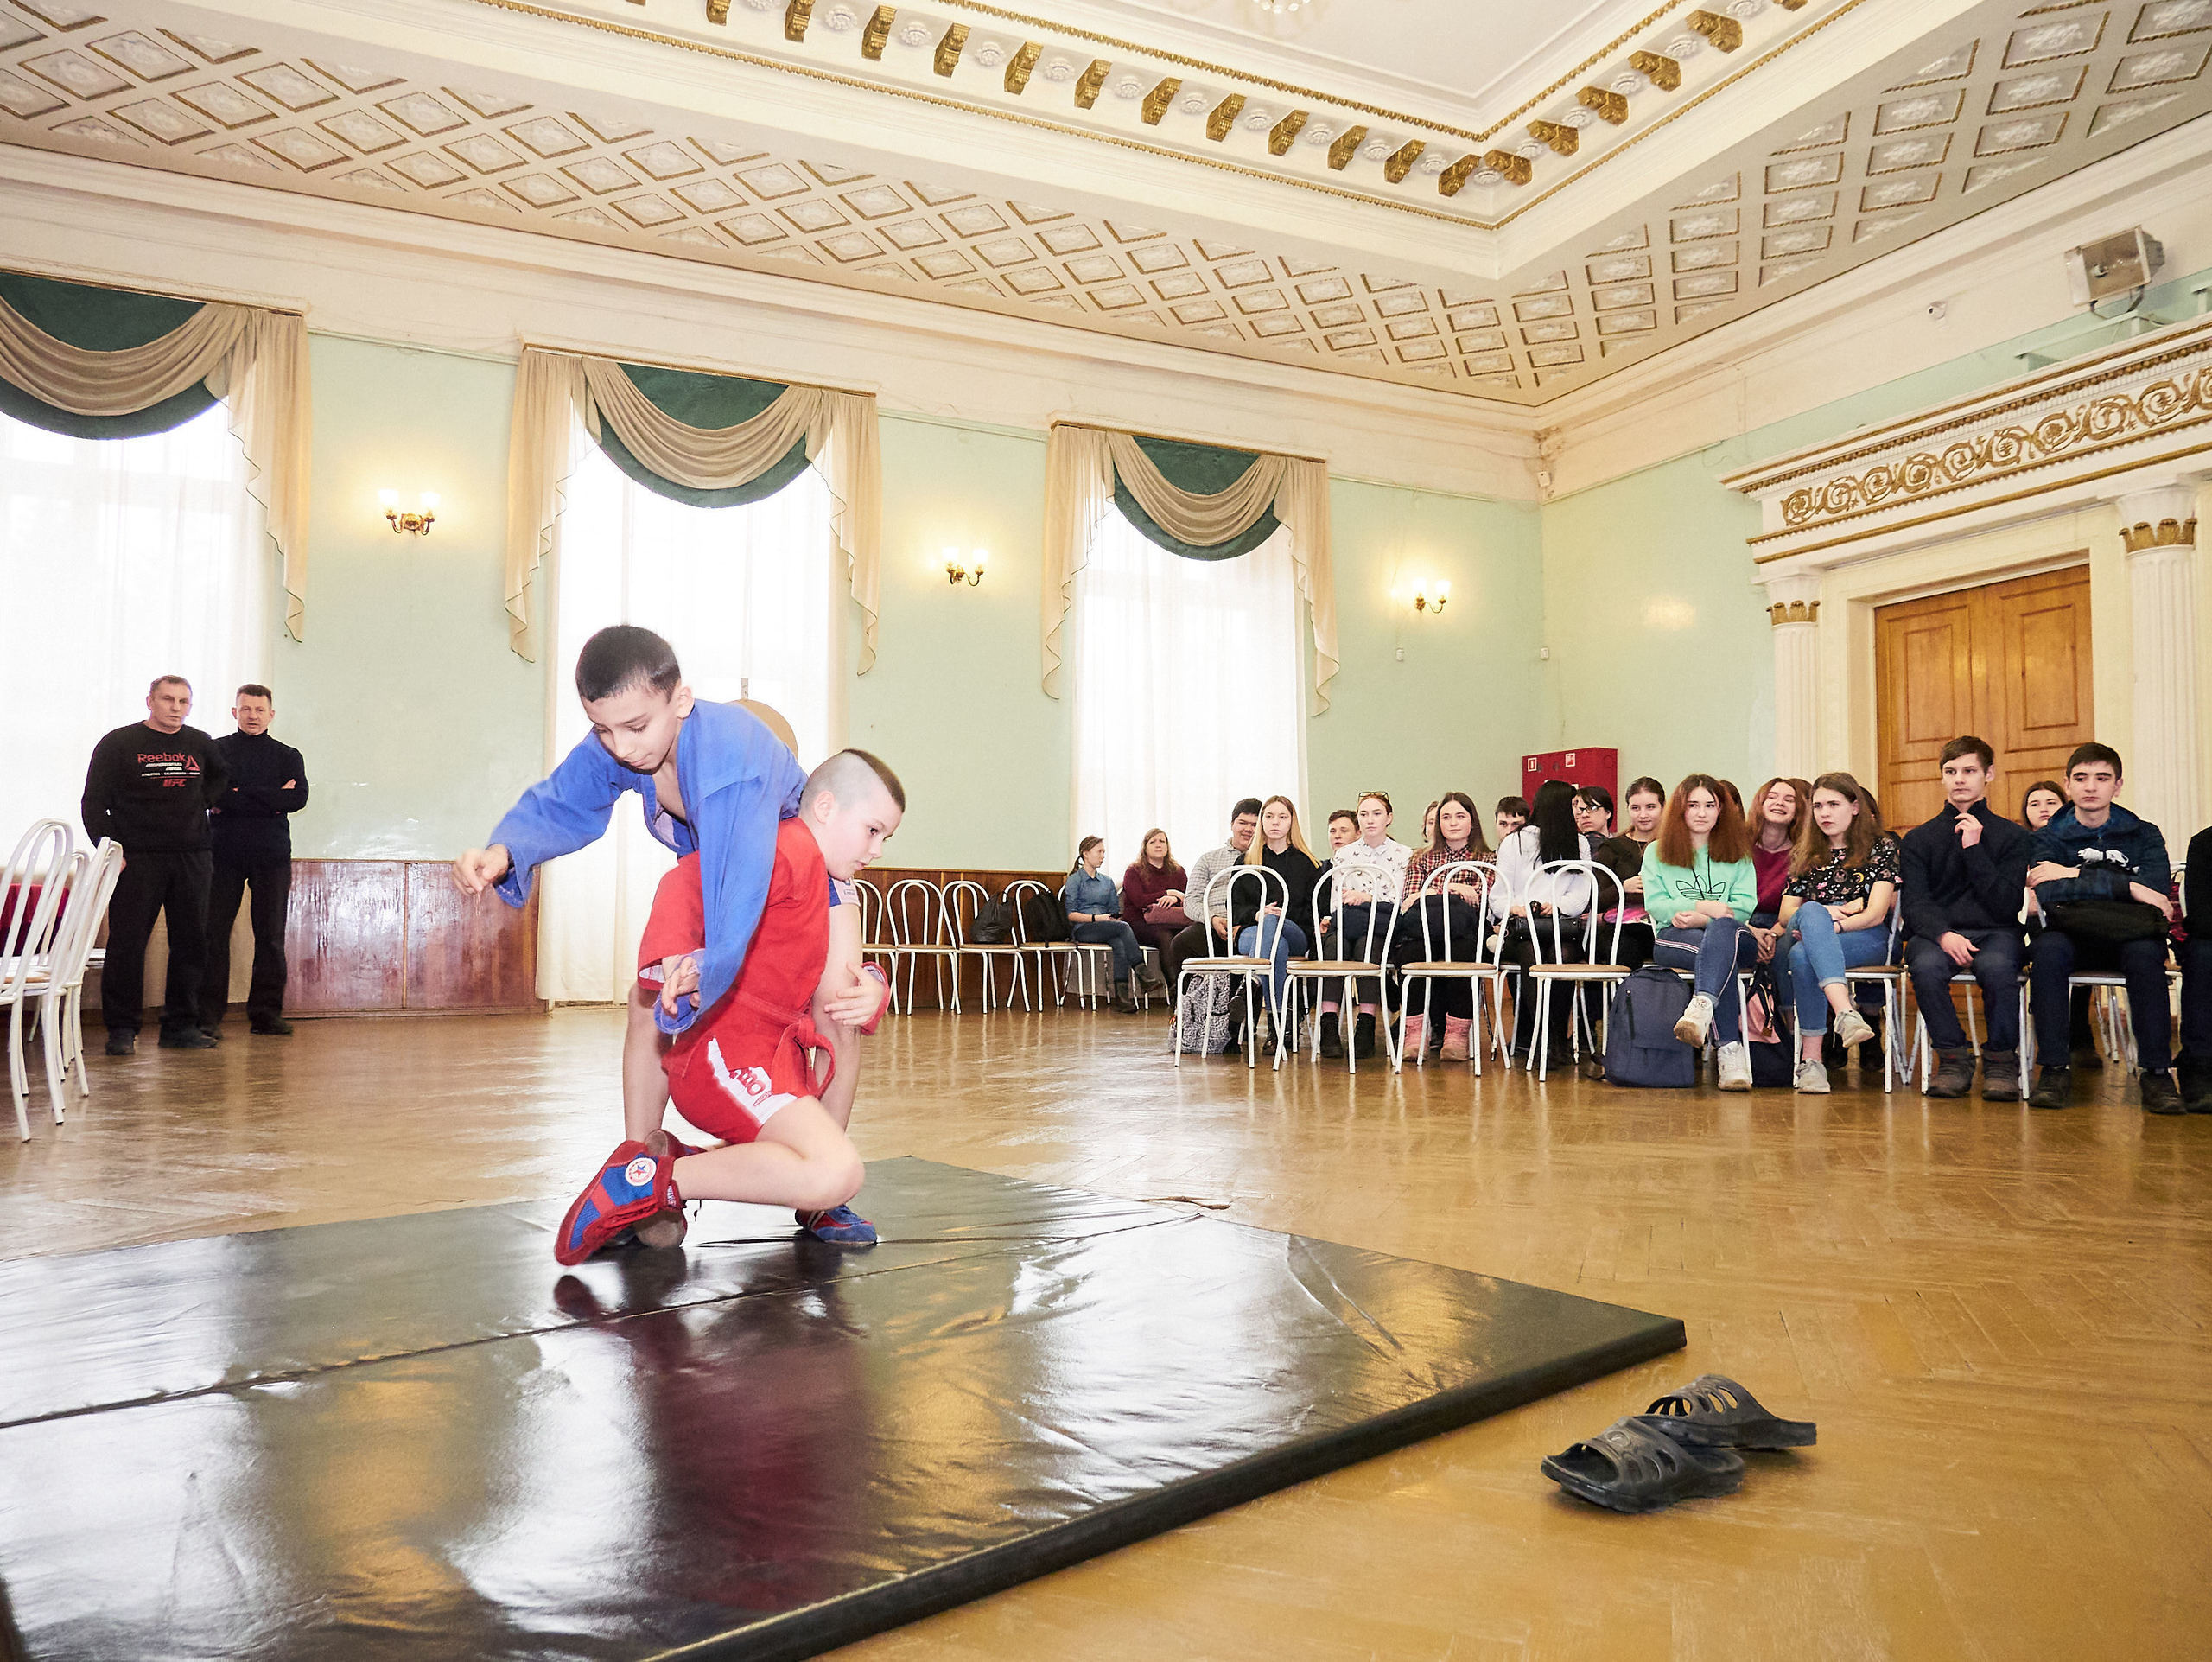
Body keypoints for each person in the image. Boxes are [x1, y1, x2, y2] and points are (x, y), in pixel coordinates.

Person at [454, 627, 872, 1230]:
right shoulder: (630, 735)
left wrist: (707, 965)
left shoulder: (734, 761)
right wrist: (504, 850)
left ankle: (819, 1201)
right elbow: (566, 798)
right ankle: (638, 1168)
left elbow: (742, 878)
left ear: (682, 701)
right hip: (719, 881)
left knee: (837, 1014)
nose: (621, 748)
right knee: (649, 998)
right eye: (604, 730)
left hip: (802, 884)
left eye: (634, 728)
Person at [555, 750, 900, 1264]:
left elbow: (825, 980)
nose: (877, 850)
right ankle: (643, 1183)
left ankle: (671, 1166)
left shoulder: (812, 864)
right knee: (837, 1172)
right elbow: (684, 883)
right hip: (731, 1057)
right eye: (872, 831)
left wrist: (874, 986)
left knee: (826, 1168)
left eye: (884, 837)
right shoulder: (784, 850)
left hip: (768, 1057)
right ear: (825, 807)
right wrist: (677, 962)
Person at [2023, 743, 2179, 1114]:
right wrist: (2129, 887)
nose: (2091, 786)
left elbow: (2156, 892)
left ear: (2117, 786)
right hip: (2069, 930)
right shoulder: (2046, 837)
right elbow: (2048, 891)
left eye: (2102, 778)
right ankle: (2054, 1069)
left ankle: (2157, 1072)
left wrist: (2072, 873)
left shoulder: (2144, 834)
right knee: (2046, 952)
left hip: (2130, 931)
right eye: (2081, 778)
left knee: (2147, 956)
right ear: (2068, 784)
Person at [83, 675, 229, 1054]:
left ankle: (180, 1026)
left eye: (183, 701)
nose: (176, 708)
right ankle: (121, 1030)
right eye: (168, 699)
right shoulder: (119, 743)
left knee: (191, 943)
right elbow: (94, 802)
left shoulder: (201, 743)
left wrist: (202, 802)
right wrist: (111, 849)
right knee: (128, 944)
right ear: (150, 701)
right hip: (137, 858)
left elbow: (220, 778)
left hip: (192, 856)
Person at [1898, 736, 2031, 1101]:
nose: (1959, 779)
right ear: (1941, 777)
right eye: (1951, 771)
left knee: (1998, 968)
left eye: (1969, 771)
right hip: (1939, 933)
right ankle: (1953, 1057)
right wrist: (1944, 935)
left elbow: (2006, 904)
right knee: (1925, 966)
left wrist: (1974, 849)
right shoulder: (1919, 839)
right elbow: (1915, 903)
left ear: (1989, 774)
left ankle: (2001, 1061)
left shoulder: (2013, 836)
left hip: (1997, 930)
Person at [1776, 774, 1897, 1093]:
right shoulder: (1806, 851)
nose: (1824, 813)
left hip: (1866, 936)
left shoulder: (1881, 847)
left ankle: (1812, 1061)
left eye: (1833, 804)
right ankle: (1845, 1012)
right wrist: (1822, 915)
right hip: (1813, 928)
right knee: (1812, 915)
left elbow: (1876, 913)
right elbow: (1787, 914)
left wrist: (1833, 926)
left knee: (1803, 954)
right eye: (1818, 806)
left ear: (1855, 807)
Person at [199, 684, 308, 1038]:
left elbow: (297, 799)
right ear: (235, 712)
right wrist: (271, 798)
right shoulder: (216, 751)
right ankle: (207, 1018)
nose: (253, 716)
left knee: (271, 936)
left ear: (271, 715)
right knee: (213, 935)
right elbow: (211, 796)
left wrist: (239, 794)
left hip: (271, 856)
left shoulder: (288, 755)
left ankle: (266, 1015)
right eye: (246, 709)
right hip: (222, 854)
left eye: (260, 710)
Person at [1645, 774, 1758, 1090]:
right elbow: (1657, 905)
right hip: (1674, 937)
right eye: (1693, 805)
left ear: (1721, 810)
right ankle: (1730, 1052)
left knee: (1721, 936)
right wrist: (1705, 907)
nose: (1701, 813)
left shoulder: (1738, 853)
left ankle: (1702, 1005)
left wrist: (1701, 919)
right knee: (1720, 959)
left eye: (1710, 805)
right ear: (1680, 809)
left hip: (1734, 935)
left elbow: (1743, 908)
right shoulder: (1656, 852)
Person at [1491, 779, 1595, 1060]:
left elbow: (1581, 895)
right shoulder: (1515, 842)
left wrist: (1557, 906)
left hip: (1560, 927)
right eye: (1575, 805)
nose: (1580, 812)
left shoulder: (1579, 844)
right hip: (1523, 929)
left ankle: (1553, 1036)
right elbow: (1498, 897)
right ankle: (1545, 1037)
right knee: (1531, 952)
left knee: (1562, 954)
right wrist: (1518, 908)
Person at [1393, 791, 1492, 1060]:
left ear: (1472, 821)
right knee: (1412, 952)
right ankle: (1415, 1034)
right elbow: (1409, 901)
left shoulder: (1487, 858)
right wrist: (1455, 888)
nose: (1453, 822)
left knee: (1462, 951)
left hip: (1464, 934)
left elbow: (1481, 900)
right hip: (1424, 931)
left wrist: (1431, 890)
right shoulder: (1421, 857)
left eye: (1460, 816)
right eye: (1446, 817)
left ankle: (1456, 1036)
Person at [1317, 791, 1410, 1060]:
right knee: (1334, 946)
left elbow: (1398, 899)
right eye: (1364, 814)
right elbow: (1338, 899)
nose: (1370, 819)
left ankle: (1366, 1024)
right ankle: (1328, 1024)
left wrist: (1366, 897)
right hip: (1348, 922)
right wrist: (1355, 902)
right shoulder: (1345, 854)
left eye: (1376, 813)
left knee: (1368, 947)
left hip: (1381, 926)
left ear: (1389, 818)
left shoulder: (1403, 854)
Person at [2022, 777, 2099, 1067]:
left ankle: (2080, 1030)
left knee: (2078, 934)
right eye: (2034, 804)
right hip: (2028, 923)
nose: (2043, 809)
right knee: (2049, 939)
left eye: (2051, 802)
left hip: (2075, 919)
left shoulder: (2081, 844)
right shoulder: (2017, 844)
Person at [1230, 795, 1320, 1037]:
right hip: (1252, 932)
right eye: (1269, 816)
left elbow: (1313, 911)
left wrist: (1279, 915)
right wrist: (1257, 913)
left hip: (1295, 932)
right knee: (1275, 946)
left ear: (1292, 822)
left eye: (1282, 817)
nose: (1275, 822)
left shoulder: (1307, 863)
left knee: (1273, 922)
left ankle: (1252, 982)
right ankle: (1278, 1029)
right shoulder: (1245, 861)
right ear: (1262, 821)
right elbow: (1235, 908)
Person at [1161, 799, 1261, 996]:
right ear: (1232, 824)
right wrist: (1213, 919)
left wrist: (1244, 924)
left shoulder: (1267, 860)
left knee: (1258, 949)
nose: (1248, 829)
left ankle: (1242, 1010)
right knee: (1181, 943)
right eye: (1242, 822)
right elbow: (1191, 900)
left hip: (1250, 926)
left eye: (1254, 825)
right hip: (1212, 925)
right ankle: (1187, 1005)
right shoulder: (1208, 859)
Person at [1062, 836, 1156, 1011]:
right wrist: (1096, 918)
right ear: (1085, 854)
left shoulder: (1107, 881)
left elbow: (1114, 910)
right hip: (1084, 928)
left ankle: (1122, 998)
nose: (1103, 855)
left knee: (1120, 942)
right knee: (1124, 928)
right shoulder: (1075, 880)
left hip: (1107, 926)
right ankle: (1142, 973)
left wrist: (1111, 918)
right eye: (1099, 851)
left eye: (1103, 852)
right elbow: (1071, 915)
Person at [1592, 776, 1664, 971]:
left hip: (1664, 924)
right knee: (1623, 948)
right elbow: (1596, 900)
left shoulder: (1673, 847)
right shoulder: (1612, 847)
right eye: (1635, 808)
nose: (1643, 815)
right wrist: (1622, 887)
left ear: (1663, 808)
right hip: (1621, 927)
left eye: (1651, 807)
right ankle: (1627, 992)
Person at [1745, 777, 1808, 965]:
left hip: (1782, 926)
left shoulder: (1804, 854)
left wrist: (1773, 934)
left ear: (1798, 810)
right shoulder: (1739, 847)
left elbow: (1801, 906)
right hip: (1743, 922)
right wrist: (1751, 932)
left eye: (1789, 800)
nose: (1780, 803)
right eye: (1772, 797)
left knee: (1784, 953)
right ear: (1760, 803)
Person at [1119, 828, 1187, 964]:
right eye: (1153, 842)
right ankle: (1175, 979)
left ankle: (1194, 976)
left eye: (1162, 841)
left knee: (1189, 936)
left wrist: (1174, 898)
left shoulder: (1179, 871)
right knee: (1164, 936)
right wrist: (1168, 892)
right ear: (1145, 848)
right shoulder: (1133, 871)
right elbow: (1139, 901)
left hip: (1173, 920)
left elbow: (1188, 898)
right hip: (1140, 921)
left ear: (1167, 846)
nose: (1158, 845)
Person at [2182, 823, 2211, 1113]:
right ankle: (2199, 1064)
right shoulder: (2205, 843)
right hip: (2210, 936)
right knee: (2202, 953)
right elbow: (2200, 916)